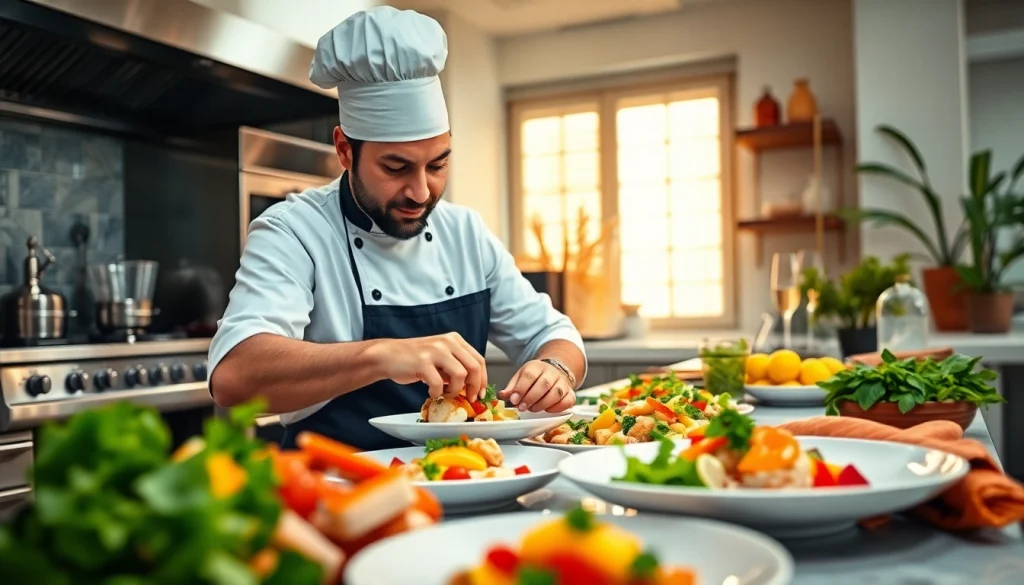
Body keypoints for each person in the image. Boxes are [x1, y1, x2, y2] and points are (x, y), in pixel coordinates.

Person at [207, 6, 587, 450]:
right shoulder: (293, 231)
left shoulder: (464, 232)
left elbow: (554, 335)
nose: (422, 191)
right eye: (396, 167)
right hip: (338, 490)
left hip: (464, 478)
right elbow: (233, 377)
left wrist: (555, 370)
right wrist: (383, 354)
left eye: (438, 164)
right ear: (345, 151)